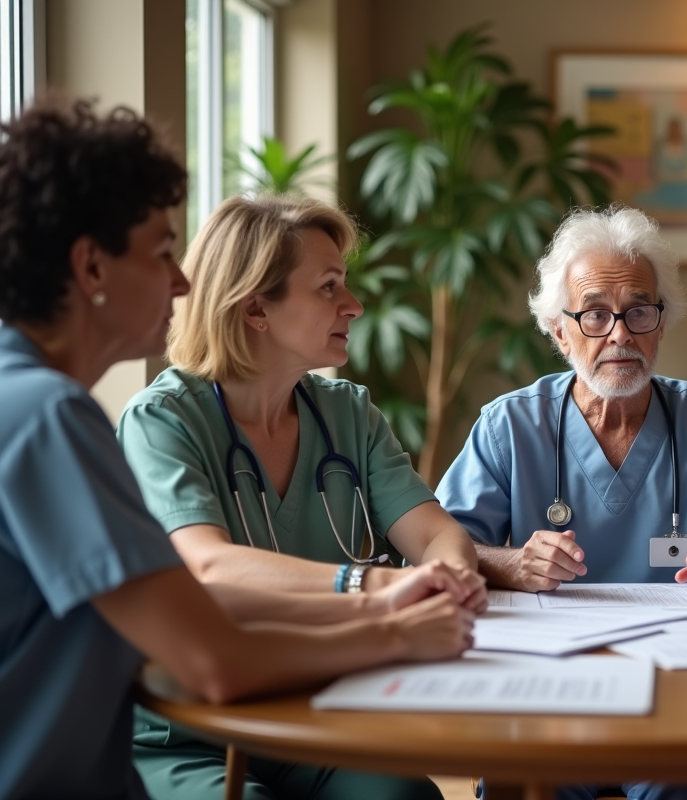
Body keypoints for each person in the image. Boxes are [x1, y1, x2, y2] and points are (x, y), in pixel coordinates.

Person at [0, 99, 475, 800]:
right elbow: (212, 656)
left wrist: (383, 603)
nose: (185, 282)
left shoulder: (28, 402)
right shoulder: (51, 418)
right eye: (163, 252)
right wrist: (393, 629)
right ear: (90, 268)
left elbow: (195, 600)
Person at [436, 204, 687, 800]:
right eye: (595, 313)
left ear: (662, 323)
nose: (619, 334)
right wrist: (508, 563)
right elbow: (437, 548)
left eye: (639, 311)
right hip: (544, 686)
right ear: (558, 329)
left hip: (680, 688)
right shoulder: (509, 425)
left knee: (684, 784)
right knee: (519, 783)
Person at [114, 192, 487, 798]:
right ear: (257, 308)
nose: (355, 305)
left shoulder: (347, 413)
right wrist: (371, 585)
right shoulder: (162, 421)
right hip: (189, 727)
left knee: (403, 794)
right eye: (329, 287)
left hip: (314, 707)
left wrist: (452, 575)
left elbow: (433, 531)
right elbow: (205, 561)